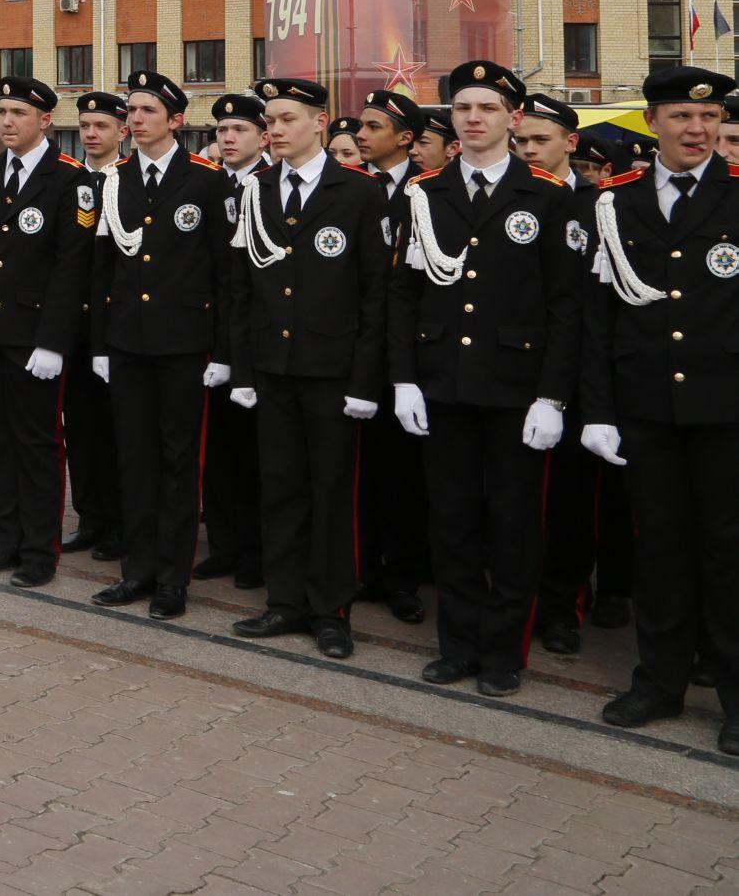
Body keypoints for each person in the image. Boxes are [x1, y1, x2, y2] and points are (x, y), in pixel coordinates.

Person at [383, 60, 579, 697]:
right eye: (464, 107)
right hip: (444, 383)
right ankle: (458, 645)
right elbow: (403, 293)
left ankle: (503, 652)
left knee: (514, 524)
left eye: (488, 108)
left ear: (512, 119)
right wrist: (404, 378)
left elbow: (564, 306)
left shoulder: (548, 197)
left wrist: (552, 396)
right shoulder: (426, 193)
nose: (473, 118)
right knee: (453, 520)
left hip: (516, 390)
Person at [581, 63, 739, 754]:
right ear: (652, 124)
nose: (697, 129)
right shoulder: (616, 202)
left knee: (729, 556)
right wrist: (598, 409)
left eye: (708, 118)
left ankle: (735, 697)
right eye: (680, 116)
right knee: (661, 551)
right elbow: (598, 318)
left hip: (726, 406)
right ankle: (659, 682)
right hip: (646, 402)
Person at [223, 76, 391, 661]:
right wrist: (243, 371)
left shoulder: (359, 192)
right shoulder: (256, 191)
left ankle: (330, 609)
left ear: (320, 123)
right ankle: (285, 600)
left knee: (331, 492)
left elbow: (376, 295)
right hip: (273, 365)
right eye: (270, 119)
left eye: (287, 119)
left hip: (332, 370)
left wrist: (366, 381)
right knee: (281, 488)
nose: (274, 129)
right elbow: (241, 290)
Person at [91, 71, 237, 620]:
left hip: (184, 345)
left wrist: (222, 353)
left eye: (148, 110)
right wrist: (101, 342)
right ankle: (138, 570)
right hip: (128, 340)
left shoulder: (207, 180)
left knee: (179, 462)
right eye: (132, 110)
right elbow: (104, 267)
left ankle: (172, 579)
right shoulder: (115, 179)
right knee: (134, 457)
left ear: (175, 121)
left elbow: (226, 275)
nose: (135, 119)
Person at [0, 76, 97, 586]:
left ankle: (38, 550)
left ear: (46, 121)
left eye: (19, 114)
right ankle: (1, 542)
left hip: (34, 338)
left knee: (37, 444)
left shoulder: (69, 178)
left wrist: (54, 341)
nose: (8, 122)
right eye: (3, 112)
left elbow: (71, 267)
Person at [514, 92, 633, 655]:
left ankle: (563, 606)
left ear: (571, 143)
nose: (531, 150)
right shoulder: (513, 196)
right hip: (517, 370)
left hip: (581, 372)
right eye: (523, 141)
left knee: (570, 503)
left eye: (542, 140)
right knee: (514, 503)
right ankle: (517, 598)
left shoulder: (600, 203)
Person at [352, 88, 432, 626]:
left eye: (373, 127)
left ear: (404, 138)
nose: (360, 134)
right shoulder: (350, 187)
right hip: (353, 350)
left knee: (404, 475)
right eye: (360, 125)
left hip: (407, 355)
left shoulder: (428, 193)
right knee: (358, 469)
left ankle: (402, 576)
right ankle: (361, 568)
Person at [63, 88, 129, 562]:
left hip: (119, 328)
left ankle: (121, 522)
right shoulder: (66, 181)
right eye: (85, 126)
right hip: (74, 329)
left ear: (121, 132)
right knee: (80, 428)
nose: (91, 134)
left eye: (101, 126)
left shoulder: (129, 180)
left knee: (119, 430)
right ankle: (90, 516)